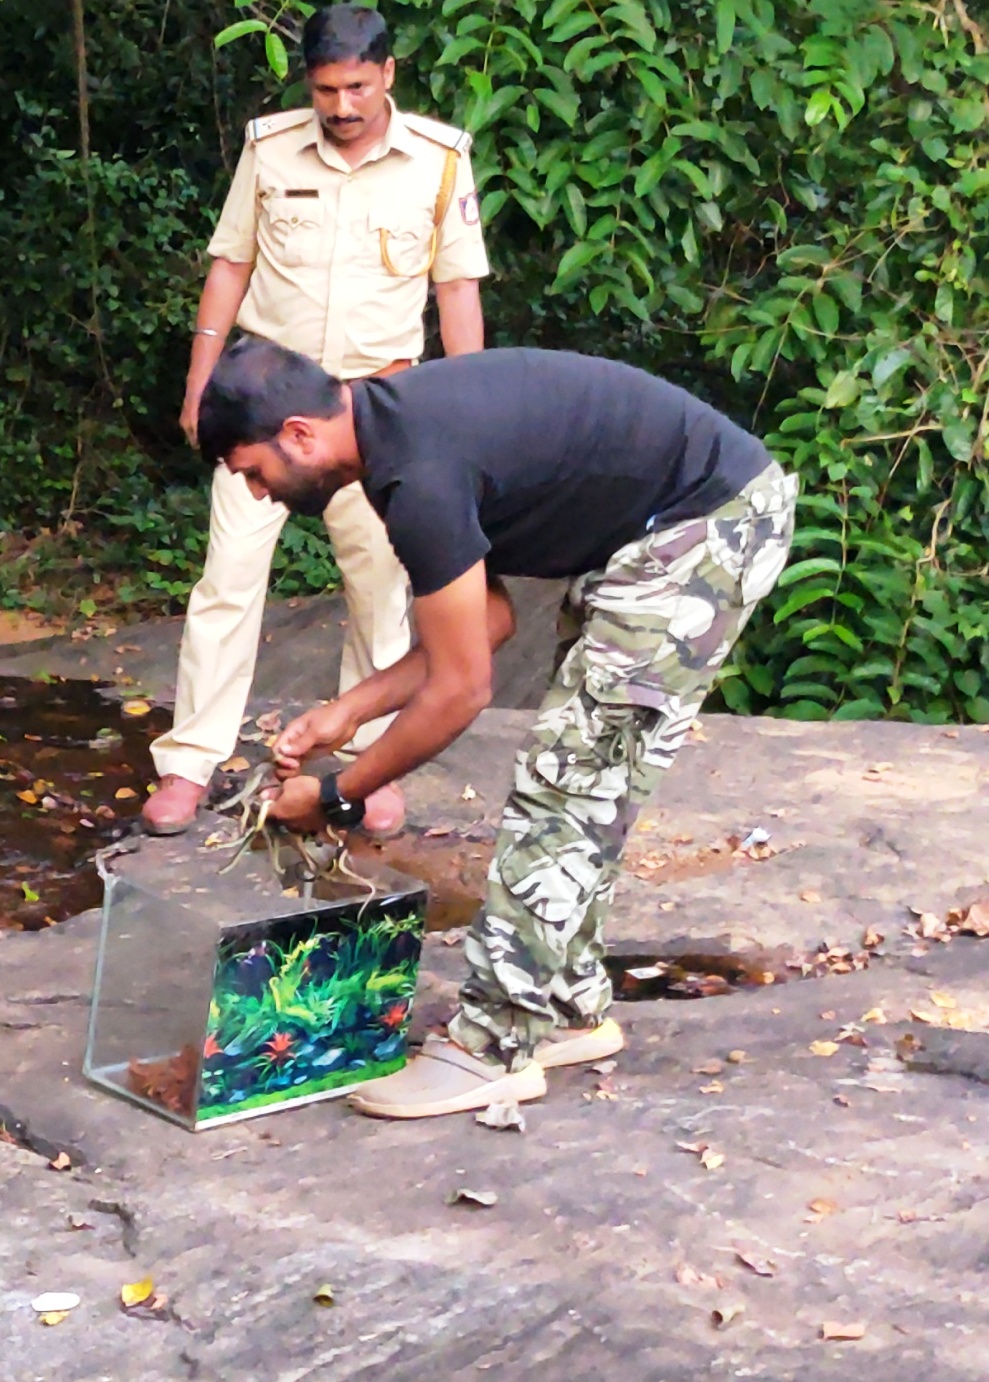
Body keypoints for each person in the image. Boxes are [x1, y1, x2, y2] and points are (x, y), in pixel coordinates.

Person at [194, 337, 796, 1118]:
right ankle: (568, 1007)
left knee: (565, 788)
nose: (261, 493)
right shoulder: (387, 438)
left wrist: (339, 792)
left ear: (300, 434)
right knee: (586, 777)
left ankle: (491, 1045)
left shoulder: (419, 478)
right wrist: (347, 711)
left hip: (704, 525)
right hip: (657, 530)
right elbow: (492, 618)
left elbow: (463, 686)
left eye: (254, 472)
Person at [144, 3, 489, 838]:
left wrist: (467, 410)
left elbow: (457, 293)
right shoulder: (270, 148)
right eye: (328, 88)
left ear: (389, 75)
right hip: (262, 413)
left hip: (380, 414)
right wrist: (200, 381)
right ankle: (190, 763)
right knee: (228, 580)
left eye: (358, 87)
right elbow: (231, 265)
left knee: (379, 589)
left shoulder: (440, 161)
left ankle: (369, 764)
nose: (342, 106)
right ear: (310, 82)